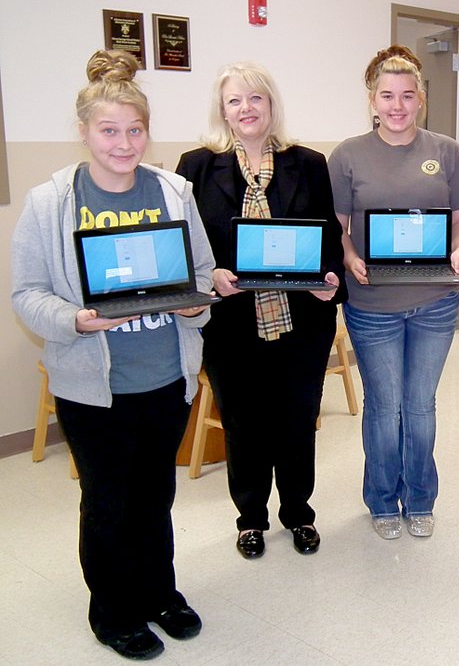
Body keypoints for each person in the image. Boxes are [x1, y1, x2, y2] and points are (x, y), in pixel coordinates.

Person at [11, 50, 212, 660]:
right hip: (93, 385)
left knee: (156, 496)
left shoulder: (174, 191)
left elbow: (200, 271)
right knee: (107, 502)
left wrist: (195, 308)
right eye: (109, 130)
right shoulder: (51, 203)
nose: (124, 143)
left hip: (164, 376)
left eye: (135, 130)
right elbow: (25, 294)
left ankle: (159, 593)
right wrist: (75, 319)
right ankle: (112, 611)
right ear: (83, 131)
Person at [176, 62, 346, 560]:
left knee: (297, 420)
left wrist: (329, 283)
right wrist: (209, 277)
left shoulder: (309, 163)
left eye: (255, 99)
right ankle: (250, 518)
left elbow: (329, 239)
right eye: (234, 101)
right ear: (222, 110)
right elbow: (189, 245)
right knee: (243, 424)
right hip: (230, 322)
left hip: (302, 321)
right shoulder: (196, 166)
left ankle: (299, 514)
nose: (245, 109)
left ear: (272, 106)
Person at [327, 45, 459, 539]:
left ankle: (420, 497)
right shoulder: (348, 155)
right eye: (387, 96)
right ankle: (380, 500)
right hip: (372, 304)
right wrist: (349, 257)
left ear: (422, 100)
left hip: (435, 300)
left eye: (407, 96)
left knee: (420, 405)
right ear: (372, 101)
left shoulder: (447, 151)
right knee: (383, 404)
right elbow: (338, 226)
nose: (397, 105)